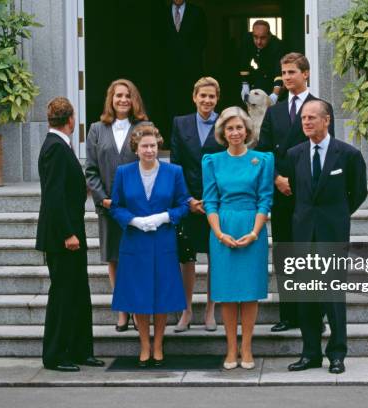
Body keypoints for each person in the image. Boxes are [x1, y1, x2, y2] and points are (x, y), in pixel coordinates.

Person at [286, 100, 367, 373]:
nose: (306, 122)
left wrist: (338, 217)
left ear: (327, 120)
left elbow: (358, 193)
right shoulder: (294, 154)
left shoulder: (348, 155)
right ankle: (310, 353)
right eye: (303, 118)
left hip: (332, 233)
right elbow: (295, 194)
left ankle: (336, 354)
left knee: (332, 296)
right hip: (304, 234)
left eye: (311, 118)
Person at [256, 52, 335, 333]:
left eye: (292, 72)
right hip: (281, 193)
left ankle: (316, 316)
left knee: (311, 256)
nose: (287, 78)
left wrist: (298, 181)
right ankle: (289, 314)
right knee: (286, 255)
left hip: (309, 195)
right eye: (284, 73)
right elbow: (264, 150)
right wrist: (277, 178)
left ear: (306, 74)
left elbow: (325, 150)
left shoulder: (320, 107)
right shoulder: (274, 111)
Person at [110, 123, 189, 367]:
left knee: (162, 294)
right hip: (135, 241)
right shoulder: (124, 172)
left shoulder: (174, 171)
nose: (149, 150)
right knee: (139, 295)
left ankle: (158, 344)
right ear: (136, 148)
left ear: (159, 146)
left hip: (163, 240)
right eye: (144, 146)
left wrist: (164, 217)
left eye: (153, 145)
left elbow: (184, 204)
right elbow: (115, 206)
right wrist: (132, 220)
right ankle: (144, 344)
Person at [36, 97, 104, 372]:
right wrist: (67, 233)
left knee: (78, 292)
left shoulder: (59, 146)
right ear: (70, 120)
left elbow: (64, 187)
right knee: (64, 294)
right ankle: (55, 355)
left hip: (71, 232)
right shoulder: (55, 148)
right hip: (62, 236)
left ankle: (79, 350)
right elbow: (53, 196)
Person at [202, 107, 274, 370]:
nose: (235, 133)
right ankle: (231, 347)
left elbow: (265, 199)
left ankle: (247, 347)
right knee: (227, 292)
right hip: (222, 227)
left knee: (249, 292)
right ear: (223, 132)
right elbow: (210, 200)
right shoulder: (211, 161)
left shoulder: (263, 160)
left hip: (252, 228)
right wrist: (219, 233)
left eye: (239, 128)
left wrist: (255, 233)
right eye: (230, 128)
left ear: (248, 130)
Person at [85, 79, 148, 332]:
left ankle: (138, 308)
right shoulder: (96, 129)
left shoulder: (145, 127)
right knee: (115, 258)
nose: (123, 100)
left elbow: (151, 163)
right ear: (111, 99)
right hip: (109, 206)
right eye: (118, 95)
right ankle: (122, 308)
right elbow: (90, 170)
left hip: (138, 208)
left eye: (128, 96)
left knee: (137, 258)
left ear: (135, 100)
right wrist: (103, 198)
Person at [170, 77, 226, 332]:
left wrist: (213, 200)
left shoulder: (225, 123)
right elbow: (175, 165)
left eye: (212, 97)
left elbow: (228, 163)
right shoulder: (180, 123)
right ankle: (187, 310)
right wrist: (188, 199)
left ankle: (211, 310)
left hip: (217, 202)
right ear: (194, 97)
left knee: (216, 256)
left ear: (217, 99)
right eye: (203, 96)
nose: (207, 101)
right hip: (189, 201)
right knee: (187, 258)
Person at [163, 0, 208, 145]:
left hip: (191, 70)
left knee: (191, 104)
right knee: (169, 104)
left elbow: (203, 38)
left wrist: (190, 57)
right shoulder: (162, 12)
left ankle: (191, 141)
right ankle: (172, 141)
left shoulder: (197, 12)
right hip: (168, 70)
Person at [240, 20, 286, 105]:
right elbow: (244, 64)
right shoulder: (247, 40)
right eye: (255, 37)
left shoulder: (277, 46)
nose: (258, 42)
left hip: (271, 81)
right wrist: (245, 85)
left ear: (269, 35)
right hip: (253, 80)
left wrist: (275, 94)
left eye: (263, 38)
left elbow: (278, 72)